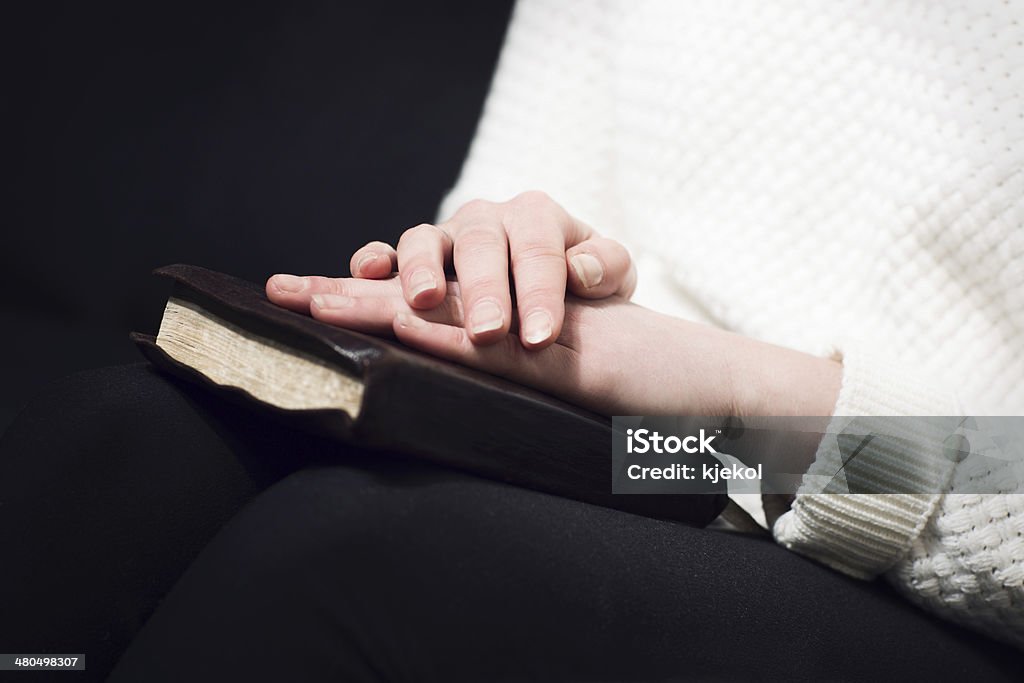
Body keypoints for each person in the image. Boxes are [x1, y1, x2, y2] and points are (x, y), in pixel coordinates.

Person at [2, 1, 1022, 680]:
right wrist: (497, 264)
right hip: (634, 456)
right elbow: (529, 205)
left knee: (354, 554)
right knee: (120, 439)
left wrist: (742, 389)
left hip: (892, 535)